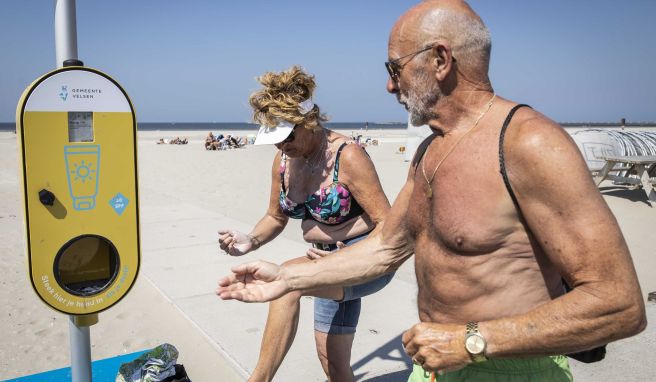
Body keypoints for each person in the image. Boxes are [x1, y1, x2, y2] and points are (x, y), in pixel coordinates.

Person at [217, 1, 647, 381]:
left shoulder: (529, 144)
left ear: (440, 59)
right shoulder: (429, 151)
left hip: (509, 368)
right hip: (436, 364)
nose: (390, 86)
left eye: (394, 68)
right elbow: (386, 246)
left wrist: (474, 342)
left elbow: (619, 303)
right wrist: (286, 276)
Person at [217, 65, 394, 381]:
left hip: (366, 258)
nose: (282, 146)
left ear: (308, 121)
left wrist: (347, 260)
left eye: (287, 137)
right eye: (275, 140)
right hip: (320, 258)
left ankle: (258, 379)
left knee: (287, 282)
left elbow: (388, 225)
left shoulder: (348, 156)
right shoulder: (284, 161)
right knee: (334, 365)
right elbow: (275, 217)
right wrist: (250, 239)